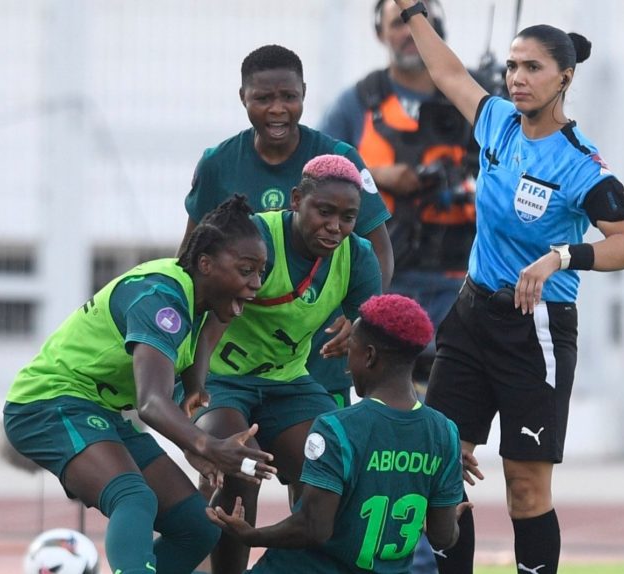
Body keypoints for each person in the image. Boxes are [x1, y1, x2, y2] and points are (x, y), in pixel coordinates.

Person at [391, 3, 624, 573]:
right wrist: (412, 12)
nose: (516, 78)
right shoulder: (497, 122)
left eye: (532, 67)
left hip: (536, 332)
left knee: (525, 490)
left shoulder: (583, 166)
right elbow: (448, 72)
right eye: (512, 66)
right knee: (438, 469)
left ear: (565, 77)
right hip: (471, 318)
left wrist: (560, 257)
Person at [3, 196, 278, 574]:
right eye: (246, 270)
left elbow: (179, 388)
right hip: (47, 403)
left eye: (261, 272)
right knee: (133, 497)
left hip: (99, 410)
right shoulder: (161, 299)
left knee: (196, 527)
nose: (256, 284)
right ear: (205, 264)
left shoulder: (200, 305)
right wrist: (208, 445)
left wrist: (196, 440)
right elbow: (151, 402)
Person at [195, 154, 383, 574]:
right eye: (324, 212)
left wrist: (409, 428)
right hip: (219, 378)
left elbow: (377, 344)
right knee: (242, 463)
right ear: (297, 200)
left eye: (348, 218)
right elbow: (207, 310)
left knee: (334, 467)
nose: (334, 227)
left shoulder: (357, 256)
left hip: (288, 383)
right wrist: (193, 387)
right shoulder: (257, 237)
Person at [181, 44, 394, 412]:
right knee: (230, 443)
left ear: (304, 94)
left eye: (289, 97)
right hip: (233, 361)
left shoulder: (339, 159)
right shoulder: (218, 163)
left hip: (319, 355)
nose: (277, 109)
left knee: (320, 447)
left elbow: (379, 250)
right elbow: (189, 257)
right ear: (243, 97)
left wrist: (363, 316)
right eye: (263, 98)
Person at [207, 294, 470, 574]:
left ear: (369, 356)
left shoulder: (337, 428)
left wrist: (252, 535)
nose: (346, 365)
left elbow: (314, 528)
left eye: (351, 349)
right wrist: (448, 522)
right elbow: (444, 537)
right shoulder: (445, 433)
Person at [320, 0, 476, 382]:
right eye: (397, 23)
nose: (408, 32)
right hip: (385, 279)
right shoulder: (358, 103)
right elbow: (315, 174)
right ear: (380, 33)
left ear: (437, 27)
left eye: (417, 21)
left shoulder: (473, 96)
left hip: (464, 283)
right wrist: (376, 176)